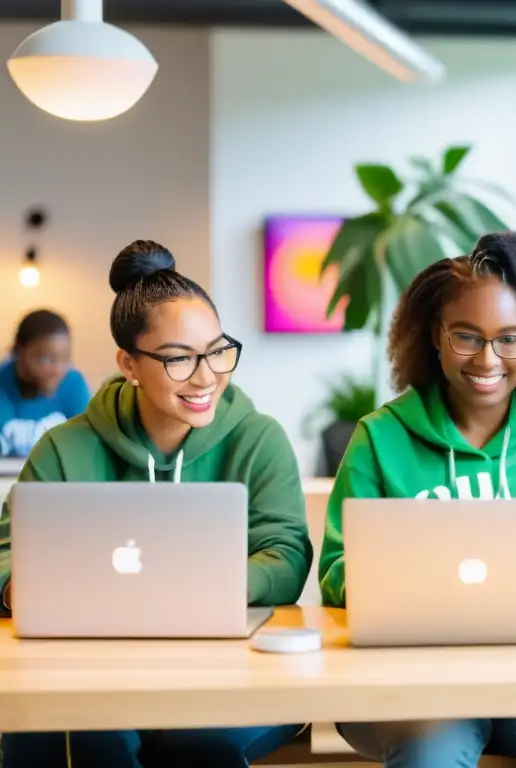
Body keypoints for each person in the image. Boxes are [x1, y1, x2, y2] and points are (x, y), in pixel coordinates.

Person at [319, 231, 516, 768]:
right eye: (467, 336)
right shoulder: (380, 437)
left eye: (510, 338)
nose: (488, 358)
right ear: (434, 337)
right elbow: (336, 569)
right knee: (431, 752)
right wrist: (401, 584)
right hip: (413, 679)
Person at [0, 240, 313, 768]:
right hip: (90, 666)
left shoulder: (260, 439)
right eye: (178, 359)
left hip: (231, 666)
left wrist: (187, 589)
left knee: (199, 744)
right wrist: (24, 586)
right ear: (129, 363)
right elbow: (7, 553)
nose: (206, 375)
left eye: (217, 351)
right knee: (76, 734)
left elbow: (284, 557)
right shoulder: (64, 448)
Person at [0, 309, 90, 457]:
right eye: (46, 359)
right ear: (18, 352)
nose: (57, 369)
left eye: (64, 358)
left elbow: (88, 447)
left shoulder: (74, 384)